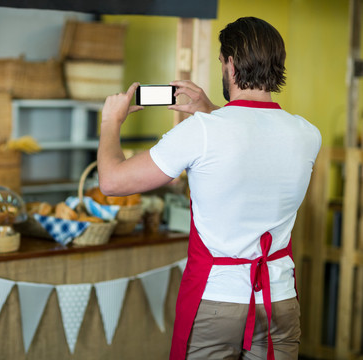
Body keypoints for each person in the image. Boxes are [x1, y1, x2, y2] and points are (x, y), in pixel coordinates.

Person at [97, 17, 321, 360]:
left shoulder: (202, 132)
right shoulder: (307, 134)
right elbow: (256, 137)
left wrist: (111, 122)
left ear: (230, 63)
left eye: (221, 61)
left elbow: (112, 181)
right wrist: (212, 111)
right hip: (279, 300)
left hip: (217, 300)